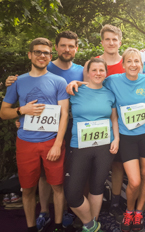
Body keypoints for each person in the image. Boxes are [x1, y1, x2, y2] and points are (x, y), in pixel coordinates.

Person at [67, 48, 145, 232]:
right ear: (123, 65)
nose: (133, 64)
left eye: (137, 61)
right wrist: (76, 82)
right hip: (127, 136)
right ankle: (128, 211)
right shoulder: (112, 80)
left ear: (141, 64)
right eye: (129, 61)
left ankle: (138, 212)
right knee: (134, 180)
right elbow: (94, 81)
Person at [5, 31, 83, 230]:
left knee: (58, 183)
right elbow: (4, 112)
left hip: (55, 138)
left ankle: (58, 222)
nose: (42, 55)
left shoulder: (62, 80)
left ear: (50, 55)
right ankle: (36, 221)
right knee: (29, 187)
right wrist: (21, 111)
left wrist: (57, 143)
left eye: (45, 53)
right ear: (30, 55)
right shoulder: (18, 81)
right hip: (26, 141)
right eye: (38, 52)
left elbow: (64, 113)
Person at [64, 57, 119, 232]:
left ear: (106, 73)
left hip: (104, 146)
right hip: (79, 146)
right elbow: (60, 112)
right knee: (72, 194)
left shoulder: (110, 93)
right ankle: (92, 225)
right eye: (93, 70)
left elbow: (114, 118)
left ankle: (91, 227)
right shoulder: (74, 90)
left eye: (101, 70)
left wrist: (116, 138)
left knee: (97, 188)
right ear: (87, 73)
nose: (97, 73)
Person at [90, 24, 126, 221]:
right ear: (102, 42)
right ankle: (95, 201)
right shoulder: (94, 63)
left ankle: (115, 202)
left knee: (118, 164)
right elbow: (85, 87)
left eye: (115, 39)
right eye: (107, 39)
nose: (111, 43)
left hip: (122, 123)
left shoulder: (127, 62)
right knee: (95, 164)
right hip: (98, 123)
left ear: (120, 42)